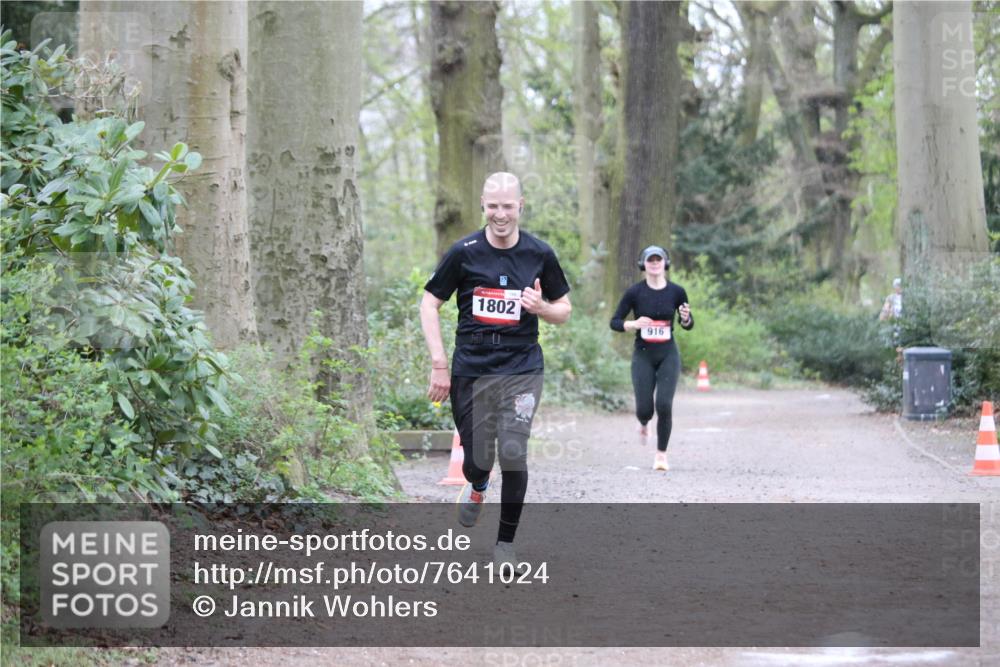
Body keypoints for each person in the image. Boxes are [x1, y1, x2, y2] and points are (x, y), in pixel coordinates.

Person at [420, 172, 572, 572]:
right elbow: (429, 303)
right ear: (483, 206)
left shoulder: (540, 254)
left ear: (521, 205)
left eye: (508, 206)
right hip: (471, 370)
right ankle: (478, 484)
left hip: (522, 367)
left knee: (513, 452)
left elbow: (564, 310)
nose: (500, 214)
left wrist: (542, 309)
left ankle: (505, 544)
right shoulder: (464, 252)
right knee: (477, 460)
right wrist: (439, 363)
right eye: (493, 206)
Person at [610, 245, 694, 471]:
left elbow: (688, 324)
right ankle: (644, 422)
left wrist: (685, 318)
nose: (655, 263)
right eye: (650, 260)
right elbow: (615, 321)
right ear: (643, 264)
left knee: (664, 404)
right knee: (644, 408)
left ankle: (661, 455)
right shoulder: (634, 293)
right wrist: (632, 324)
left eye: (658, 260)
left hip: (668, 353)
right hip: (643, 355)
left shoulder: (677, 292)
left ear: (665, 263)